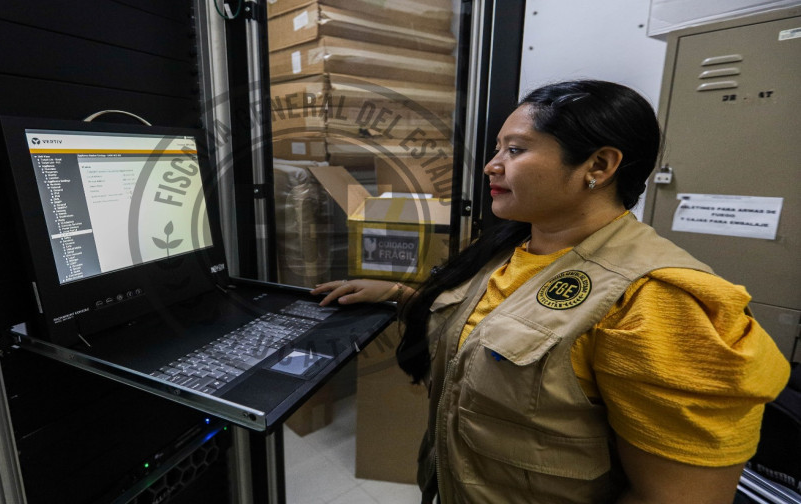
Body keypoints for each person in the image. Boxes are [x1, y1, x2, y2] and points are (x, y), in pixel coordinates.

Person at [311, 80, 790, 504]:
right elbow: (487, 324)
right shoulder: (511, 249)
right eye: (497, 149)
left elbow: (677, 497)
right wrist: (399, 293)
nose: (491, 166)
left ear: (599, 165)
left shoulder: (658, 302)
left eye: (515, 150)